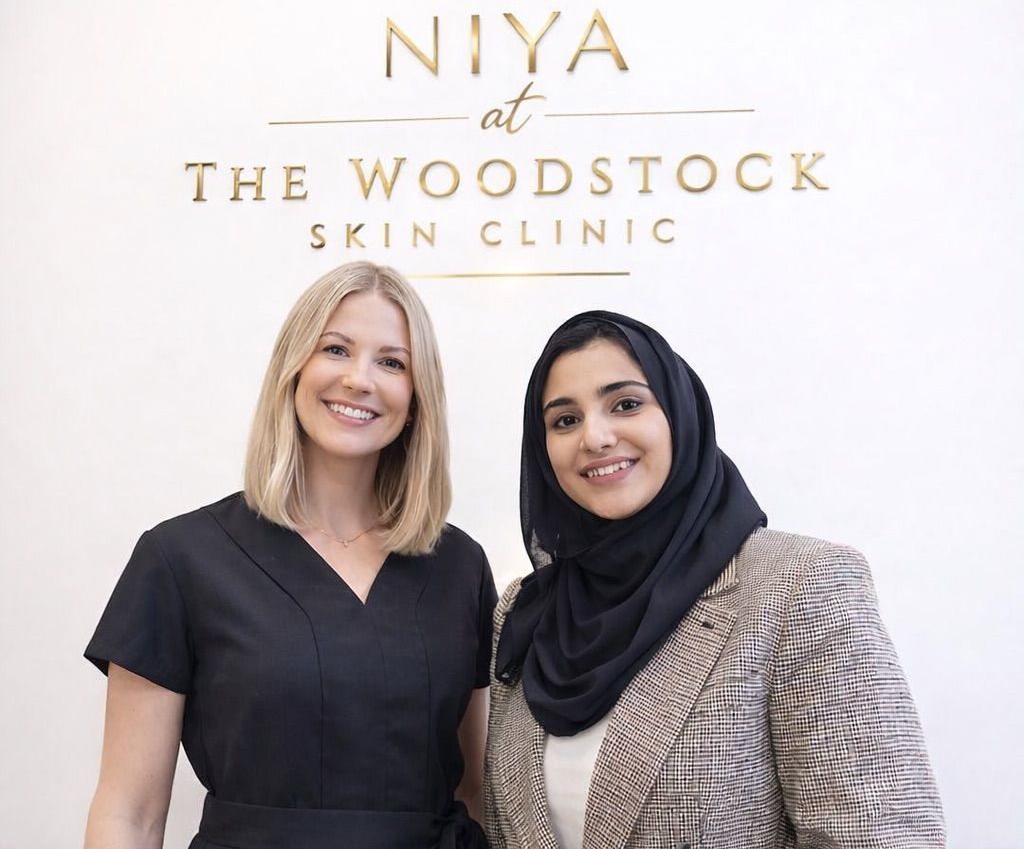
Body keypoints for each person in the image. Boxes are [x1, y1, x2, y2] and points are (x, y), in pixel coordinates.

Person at [485, 311, 944, 849]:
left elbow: (880, 835)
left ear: (681, 416)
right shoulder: (527, 610)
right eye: (564, 420)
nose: (596, 436)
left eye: (626, 404)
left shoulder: (798, 586)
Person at [84, 262, 495, 849]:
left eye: (392, 362)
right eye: (336, 349)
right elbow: (129, 813)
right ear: (293, 367)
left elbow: (475, 795)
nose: (360, 379)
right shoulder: (180, 560)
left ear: (418, 396)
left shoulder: (459, 566)